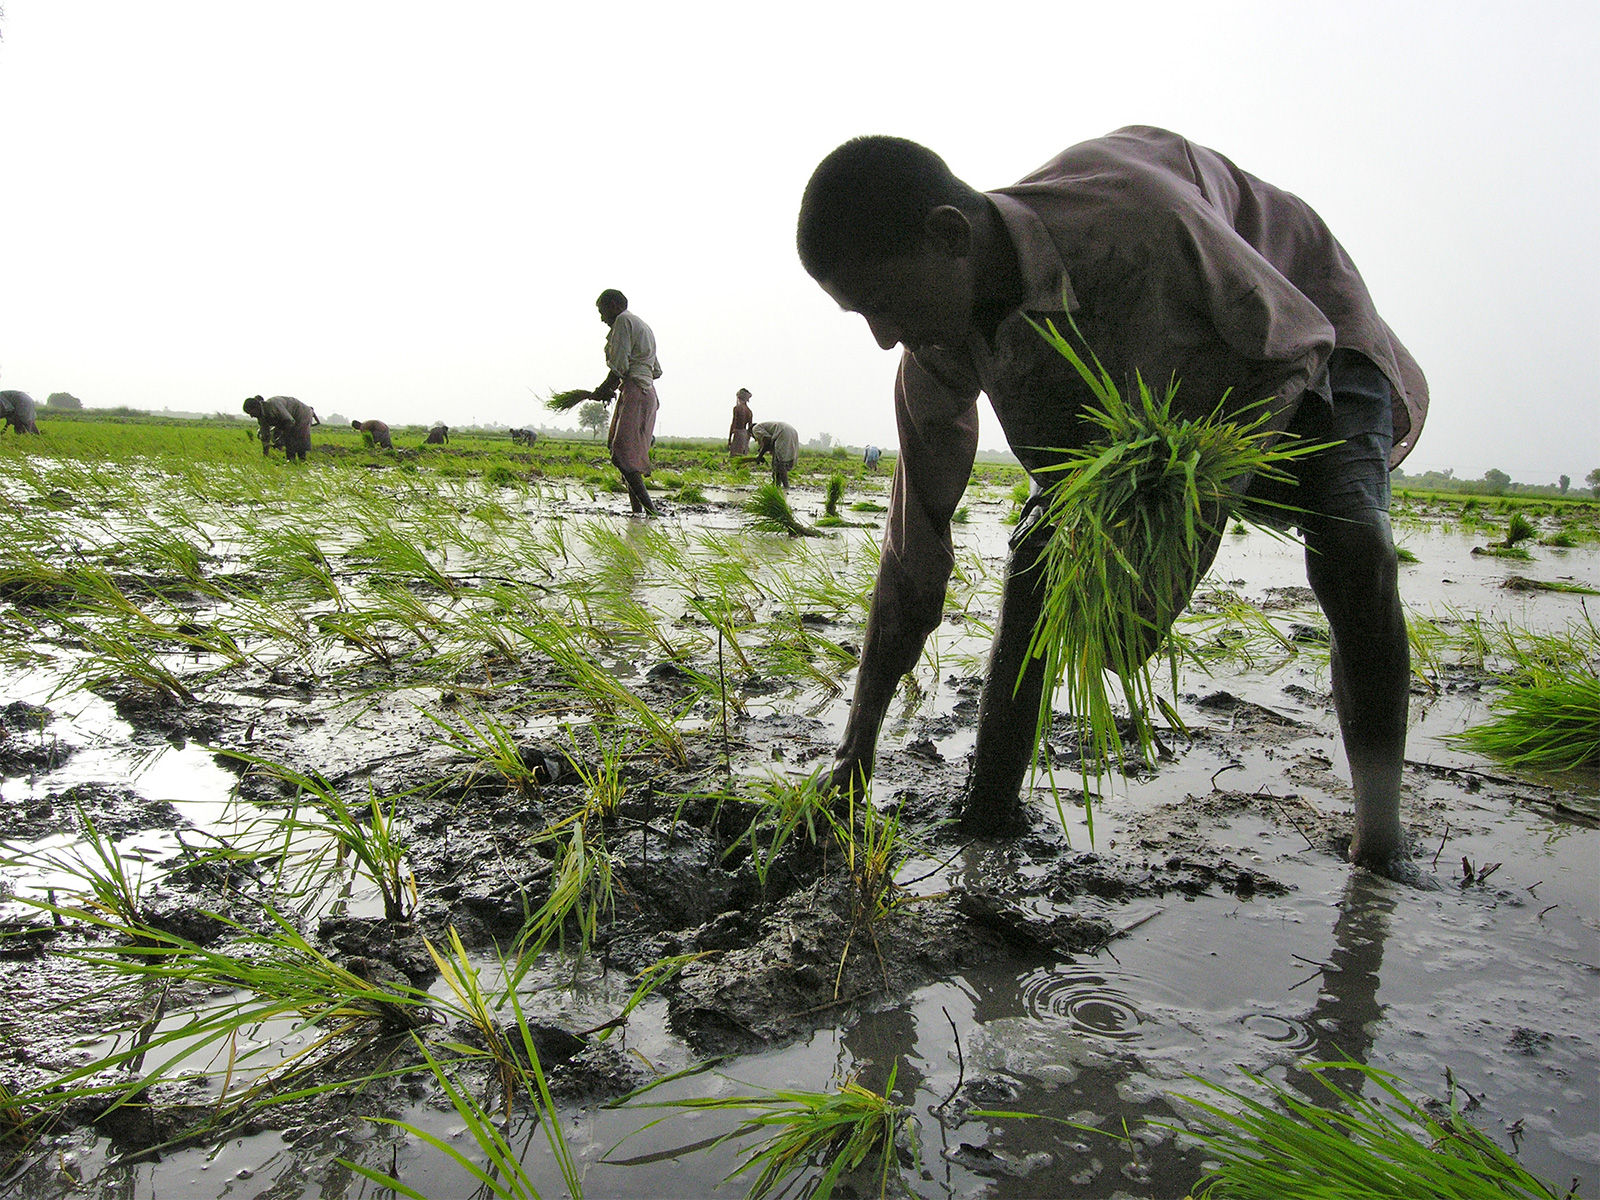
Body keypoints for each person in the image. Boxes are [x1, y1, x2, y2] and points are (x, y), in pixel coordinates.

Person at [797, 127, 1428, 875]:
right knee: (1038, 550)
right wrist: (854, 753)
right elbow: (914, 545)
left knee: (1354, 544)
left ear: (949, 234)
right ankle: (988, 810)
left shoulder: (1142, 223)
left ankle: (1379, 843)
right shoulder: (936, 343)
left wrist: (1174, 542)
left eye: (885, 302)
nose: (882, 336)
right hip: (1140, 382)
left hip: (1298, 325)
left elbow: (1288, 347)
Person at [589, 289, 662, 517]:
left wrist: (603, 389)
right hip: (645, 392)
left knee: (621, 453)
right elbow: (656, 370)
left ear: (613, 305)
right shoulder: (642, 326)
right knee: (624, 453)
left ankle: (650, 512)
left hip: (636, 392)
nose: (602, 318)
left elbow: (619, 366)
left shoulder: (623, 321)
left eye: (602, 312)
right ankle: (637, 513)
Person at [243, 394, 319, 460]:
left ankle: (299, 461)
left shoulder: (273, 405)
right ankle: (292, 461)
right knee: (287, 439)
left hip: (301, 413)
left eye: (251, 412)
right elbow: (265, 436)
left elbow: (290, 421)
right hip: (290, 418)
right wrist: (265, 456)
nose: (251, 416)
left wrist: (281, 438)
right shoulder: (261, 417)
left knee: (296, 438)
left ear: (256, 407)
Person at [751, 420, 800, 489]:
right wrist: (762, 450)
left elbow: (767, 440)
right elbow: (769, 443)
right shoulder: (764, 427)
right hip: (792, 432)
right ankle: (776, 485)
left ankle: (786, 486)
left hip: (783, 432)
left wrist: (760, 455)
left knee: (780, 463)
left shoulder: (755, 428)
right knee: (778, 461)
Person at [728, 388, 755, 455]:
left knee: (735, 457)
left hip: (738, 433)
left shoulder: (737, 408)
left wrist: (729, 438)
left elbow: (733, 423)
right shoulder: (749, 411)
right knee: (742, 457)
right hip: (745, 435)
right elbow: (750, 428)